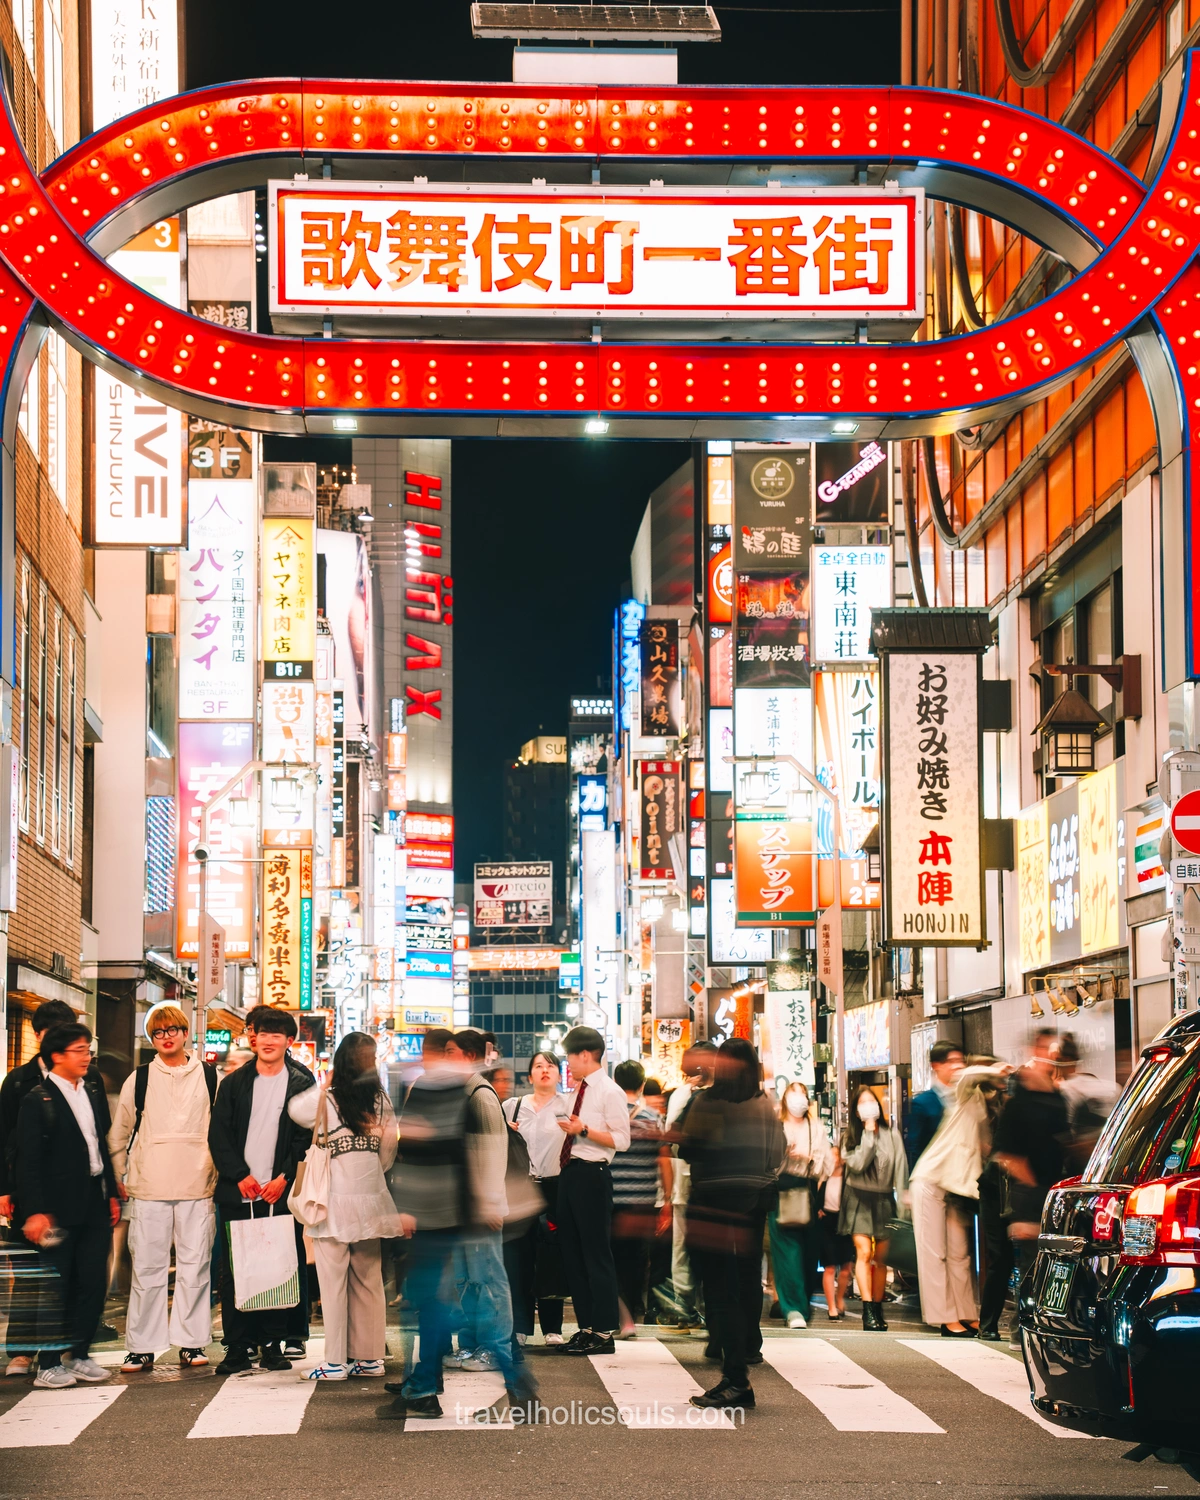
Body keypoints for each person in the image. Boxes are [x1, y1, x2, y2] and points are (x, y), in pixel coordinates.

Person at [383, 1029, 534, 1419]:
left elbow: (490, 1153)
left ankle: (513, 1378)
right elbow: (413, 1151)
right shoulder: (432, 1090)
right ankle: (424, 1387)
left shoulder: (476, 1094)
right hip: (436, 1214)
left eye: (448, 1053)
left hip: (465, 1213)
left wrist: (488, 1205)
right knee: (435, 1301)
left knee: (475, 1292)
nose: (439, 1060)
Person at [288, 1032, 408, 1381]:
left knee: (332, 1282)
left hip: (333, 1201)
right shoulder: (381, 1100)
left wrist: (325, 1081)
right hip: (371, 1199)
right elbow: (388, 1152)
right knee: (369, 1281)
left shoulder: (326, 1099)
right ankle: (370, 1359)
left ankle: (336, 1362)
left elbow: (295, 1110)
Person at [107, 1004, 219, 1372]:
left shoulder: (208, 1076)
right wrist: (122, 1175)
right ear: (151, 1039)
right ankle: (141, 1346)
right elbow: (119, 1134)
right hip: (149, 1187)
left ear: (186, 1033)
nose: (167, 1036)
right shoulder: (138, 1079)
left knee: (195, 1268)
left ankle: (191, 1343)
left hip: (199, 1185)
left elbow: (221, 1133)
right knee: (147, 1269)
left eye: (173, 1029)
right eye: (158, 1032)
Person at [207, 1006, 314, 1374]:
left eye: (276, 1035)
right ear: (253, 1039)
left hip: (280, 1191)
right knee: (235, 1268)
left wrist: (284, 1177)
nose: (268, 1041)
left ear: (289, 1041)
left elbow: (305, 1139)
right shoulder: (235, 1083)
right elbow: (218, 1135)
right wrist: (240, 1175)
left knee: (279, 1264)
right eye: (263, 1034)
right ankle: (238, 1344)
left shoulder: (302, 1083)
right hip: (239, 1190)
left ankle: (272, 1342)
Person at [15, 1022, 121, 1388]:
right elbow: (26, 1161)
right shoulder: (37, 1099)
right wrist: (35, 1211)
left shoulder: (91, 1089)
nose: (87, 1055)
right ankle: (47, 1363)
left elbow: (99, 1144)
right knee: (56, 1285)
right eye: (79, 1050)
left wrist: (109, 1193)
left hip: (93, 1197)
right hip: (56, 1206)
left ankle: (78, 1353)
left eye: (87, 1049)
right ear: (57, 1056)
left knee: (92, 1280)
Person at [681, 1037, 785, 1411]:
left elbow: (689, 1147)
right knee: (745, 1281)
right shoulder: (763, 1103)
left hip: (713, 1204)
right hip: (754, 1202)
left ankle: (736, 1379)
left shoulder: (708, 1101)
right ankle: (744, 1356)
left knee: (719, 1289)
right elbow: (777, 1152)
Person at [1, 1000, 97, 1378]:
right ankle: (23, 1352)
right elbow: (7, 1139)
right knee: (31, 1272)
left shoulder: (87, 1077)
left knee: (69, 1272)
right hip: (30, 1191)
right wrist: (6, 1189)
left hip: (75, 1193)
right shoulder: (19, 1081)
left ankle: (65, 1350)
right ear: (39, 1037)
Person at [910, 1061, 1007, 1337]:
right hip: (931, 1180)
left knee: (959, 1254)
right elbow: (964, 1076)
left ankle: (965, 1312)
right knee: (935, 1254)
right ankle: (945, 1319)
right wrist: (995, 1069)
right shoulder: (966, 1094)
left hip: (957, 1188)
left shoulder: (987, 1107)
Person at [552, 1026, 632, 1356]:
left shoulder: (610, 1091)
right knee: (573, 1256)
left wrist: (582, 1129)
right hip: (570, 1175)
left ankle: (603, 1332)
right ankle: (586, 1327)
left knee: (596, 1255)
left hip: (593, 1175)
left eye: (570, 1056)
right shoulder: (577, 1090)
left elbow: (622, 1140)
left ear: (585, 1055)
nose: (568, 1063)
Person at [991, 1029, 1070, 1324]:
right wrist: (1032, 1189)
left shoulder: (1056, 1097)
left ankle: (1045, 1323)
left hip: (1054, 1193)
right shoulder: (1018, 1102)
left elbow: (1063, 1142)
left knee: (1052, 1264)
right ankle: (1021, 1327)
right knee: (1029, 1263)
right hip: (1030, 1194)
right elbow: (1006, 1155)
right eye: (1043, 1049)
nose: (1049, 1056)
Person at [503, 1051, 569, 1348]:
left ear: (559, 1074)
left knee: (552, 1257)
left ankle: (553, 1327)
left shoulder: (568, 1107)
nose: (545, 1070)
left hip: (556, 1189)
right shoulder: (512, 1107)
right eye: (538, 1066)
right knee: (519, 1258)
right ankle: (520, 1325)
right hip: (520, 1187)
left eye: (550, 1066)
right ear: (529, 1076)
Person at [657, 1041, 717, 1329]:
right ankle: (685, 1303)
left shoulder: (722, 1095)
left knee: (707, 1244)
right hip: (685, 1183)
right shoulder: (682, 1094)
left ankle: (707, 1305)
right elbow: (672, 1139)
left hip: (712, 1184)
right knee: (682, 1245)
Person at [840, 1086, 908, 1332]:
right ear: (857, 1112)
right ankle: (867, 1311)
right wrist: (868, 1134)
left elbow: (900, 1171)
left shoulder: (893, 1136)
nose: (869, 1106)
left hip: (883, 1199)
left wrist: (903, 1207)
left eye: (872, 1101)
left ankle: (878, 1309)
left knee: (881, 1259)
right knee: (863, 1253)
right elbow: (858, 1164)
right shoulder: (849, 1138)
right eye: (863, 1103)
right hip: (857, 1197)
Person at [609, 1059, 669, 1338]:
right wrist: (667, 1200)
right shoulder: (654, 1117)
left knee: (609, 1258)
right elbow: (663, 1160)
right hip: (643, 1202)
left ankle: (618, 1316)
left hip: (611, 1199)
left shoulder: (607, 1116)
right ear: (642, 1085)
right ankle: (633, 1312)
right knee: (636, 1261)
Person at [769, 1080, 833, 1330]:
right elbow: (768, 1161)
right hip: (781, 1192)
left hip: (807, 1192)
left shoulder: (814, 1127)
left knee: (808, 1253)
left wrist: (808, 1158)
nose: (799, 1100)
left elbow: (825, 1164)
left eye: (803, 1095)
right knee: (788, 1253)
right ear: (785, 1099)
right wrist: (786, 1155)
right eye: (794, 1095)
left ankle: (801, 1305)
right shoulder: (777, 1126)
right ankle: (792, 1308)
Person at [1054, 1033, 1121, 1167]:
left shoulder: (1067, 1090)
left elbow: (1067, 1130)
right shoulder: (1112, 1086)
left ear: (1064, 1060)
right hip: (1112, 1152)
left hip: (1084, 1157)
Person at [905, 1041, 965, 1166]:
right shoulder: (922, 1104)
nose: (959, 1066)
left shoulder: (967, 1097)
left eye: (961, 1061)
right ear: (936, 1066)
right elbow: (914, 1148)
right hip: (935, 1174)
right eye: (952, 1061)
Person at [817, 1155, 855, 1321]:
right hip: (827, 1224)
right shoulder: (823, 1177)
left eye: (835, 1155)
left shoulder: (849, 1178)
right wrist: (817, 1210)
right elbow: (815, 1198)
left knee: (846, 1268)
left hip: (845, 1223)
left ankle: (839, 1298)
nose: (833, 1159)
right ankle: (831, 1306)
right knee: (830, 1267)